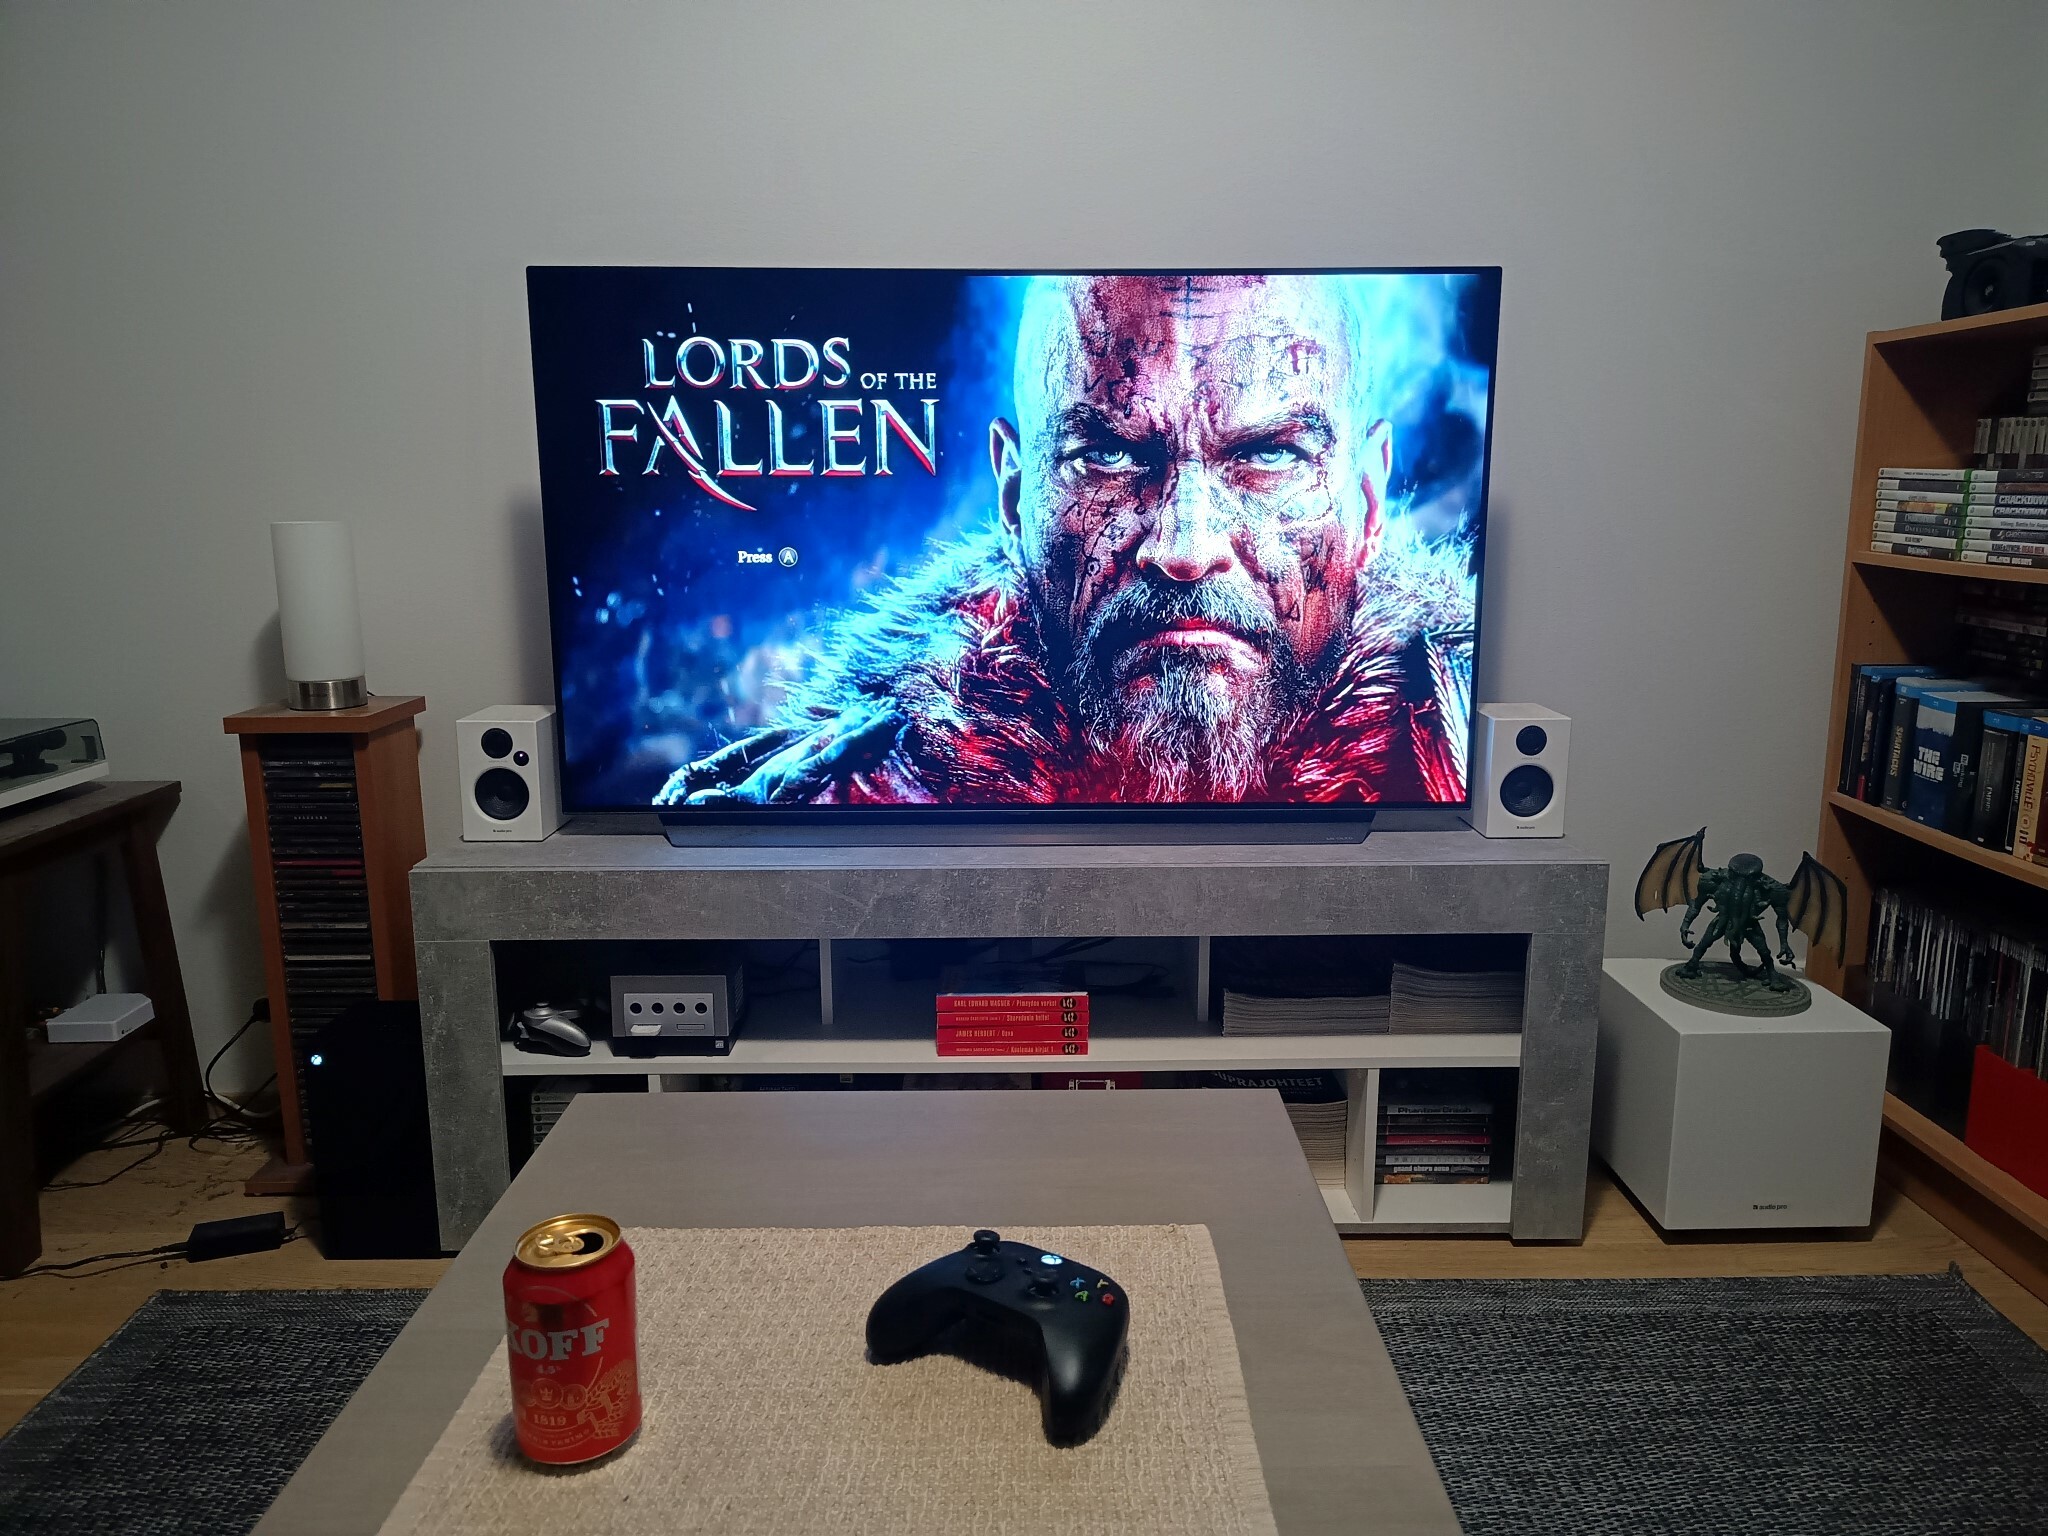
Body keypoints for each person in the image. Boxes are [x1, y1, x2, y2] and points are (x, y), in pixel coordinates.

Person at [656, 273, 1472, 807]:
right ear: (1014, 494)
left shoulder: (1465, 751)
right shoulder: (854, 796)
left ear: (1370, 498)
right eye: (1107, 456)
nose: (1186, 548)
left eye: (1269, 455)